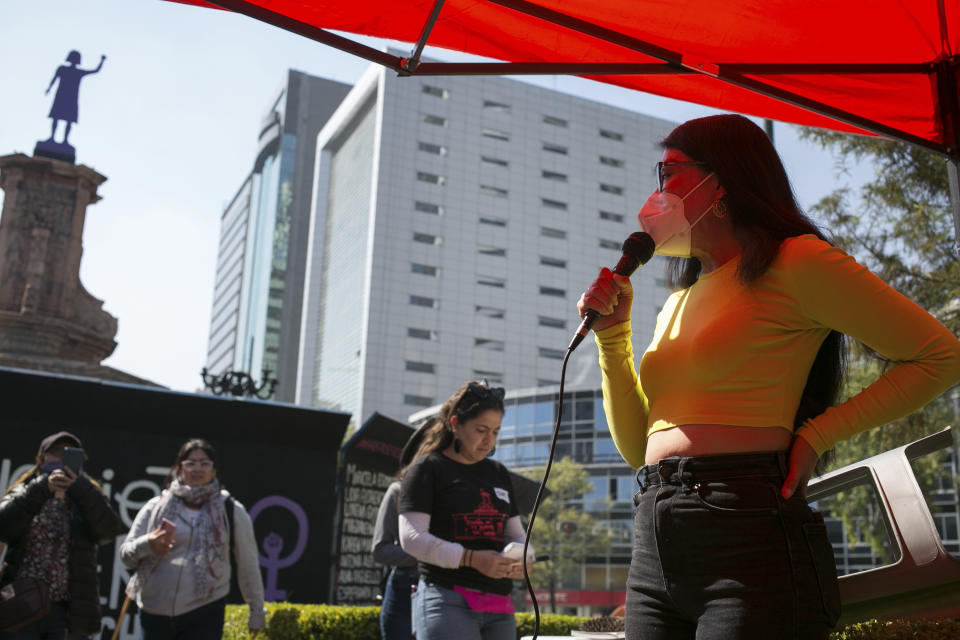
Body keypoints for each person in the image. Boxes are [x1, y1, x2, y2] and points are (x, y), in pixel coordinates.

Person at [576, 114, 960, 640]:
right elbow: (637, 446)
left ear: (724, 179)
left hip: (750, 533)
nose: (656, 191)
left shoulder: (798, 261)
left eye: (668, 172)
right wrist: (612, 340)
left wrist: (820, 434)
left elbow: (941, 356)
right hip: (654, 542)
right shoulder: (678, 301)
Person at [398, 381, 531, 640]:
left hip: (498, 601)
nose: (489, 440)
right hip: (446, 596)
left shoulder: (498, 473)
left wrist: (522, 560)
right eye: (481, 430)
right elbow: (410, 538)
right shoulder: (428, 468)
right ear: (456, 424)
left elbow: (516, 534)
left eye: (495, 431)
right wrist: (472, 559)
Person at [120, 439, 266, 640]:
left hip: (204, 609)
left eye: (204, 463)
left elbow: (248, 563)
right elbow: (126, 555)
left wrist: (256, 610)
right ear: (179, 468)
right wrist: (148, 544)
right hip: (154, 611)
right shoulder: (156, 506)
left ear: (214, 471)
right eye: (191, 463)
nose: (197, 469)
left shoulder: (231, 510)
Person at [0, 431, 125, 640]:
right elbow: (4, 526)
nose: (61, 459)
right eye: (56, 452)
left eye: (69, 453)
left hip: (66, 611)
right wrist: (41, 488)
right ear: (41, 459)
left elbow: (109, 531)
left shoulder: (86, 495)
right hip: (20, 602)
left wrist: (79, 487)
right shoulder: (25, 490)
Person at [371, 478, 418, 640]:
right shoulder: (399, 491)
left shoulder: (453, 493)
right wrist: (430, 554)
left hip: (447, 591)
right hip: (405, 587)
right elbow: (380, 549)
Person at [44, 51, 105, 145]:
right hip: (62, 96)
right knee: (56, 117)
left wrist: (102, 61)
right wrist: (49, 88)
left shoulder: (77, 72)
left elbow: (95, 70)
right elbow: (54, 79)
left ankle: (65, 140)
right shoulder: (63, 69)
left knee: (68, 120)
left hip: (70, 98)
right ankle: (53, 138)